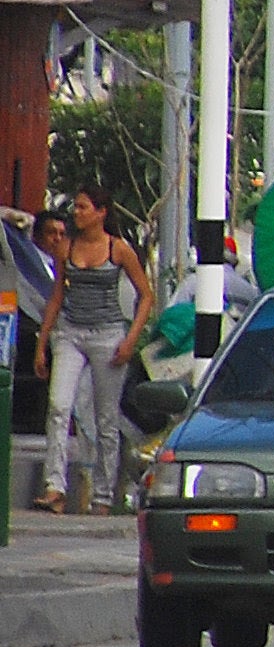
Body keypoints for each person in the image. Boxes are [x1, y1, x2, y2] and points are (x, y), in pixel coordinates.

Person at [40, 191, 152, 516]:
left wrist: (130, 339)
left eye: (84, 207)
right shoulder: (67, 247)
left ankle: (102, 496)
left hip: (108, 335)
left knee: (105, 419)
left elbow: (146, 296)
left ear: (101, 213)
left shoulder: (118, 249)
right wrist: (42, 342)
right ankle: (54, 487)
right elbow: (57, 295)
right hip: (71, 333)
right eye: (76, 206)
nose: (77, 213)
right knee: (58, 407)